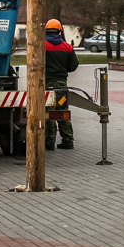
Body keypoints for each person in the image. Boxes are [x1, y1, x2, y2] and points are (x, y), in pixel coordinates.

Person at [45, 18, 79, 150]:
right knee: (62, 111)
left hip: (47, 84)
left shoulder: (42, 46)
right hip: (61, 84)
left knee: (48, 113)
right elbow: (73, 65)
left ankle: (49, 142)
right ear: (60, 31)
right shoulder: (67, 47)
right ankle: (68, 141)